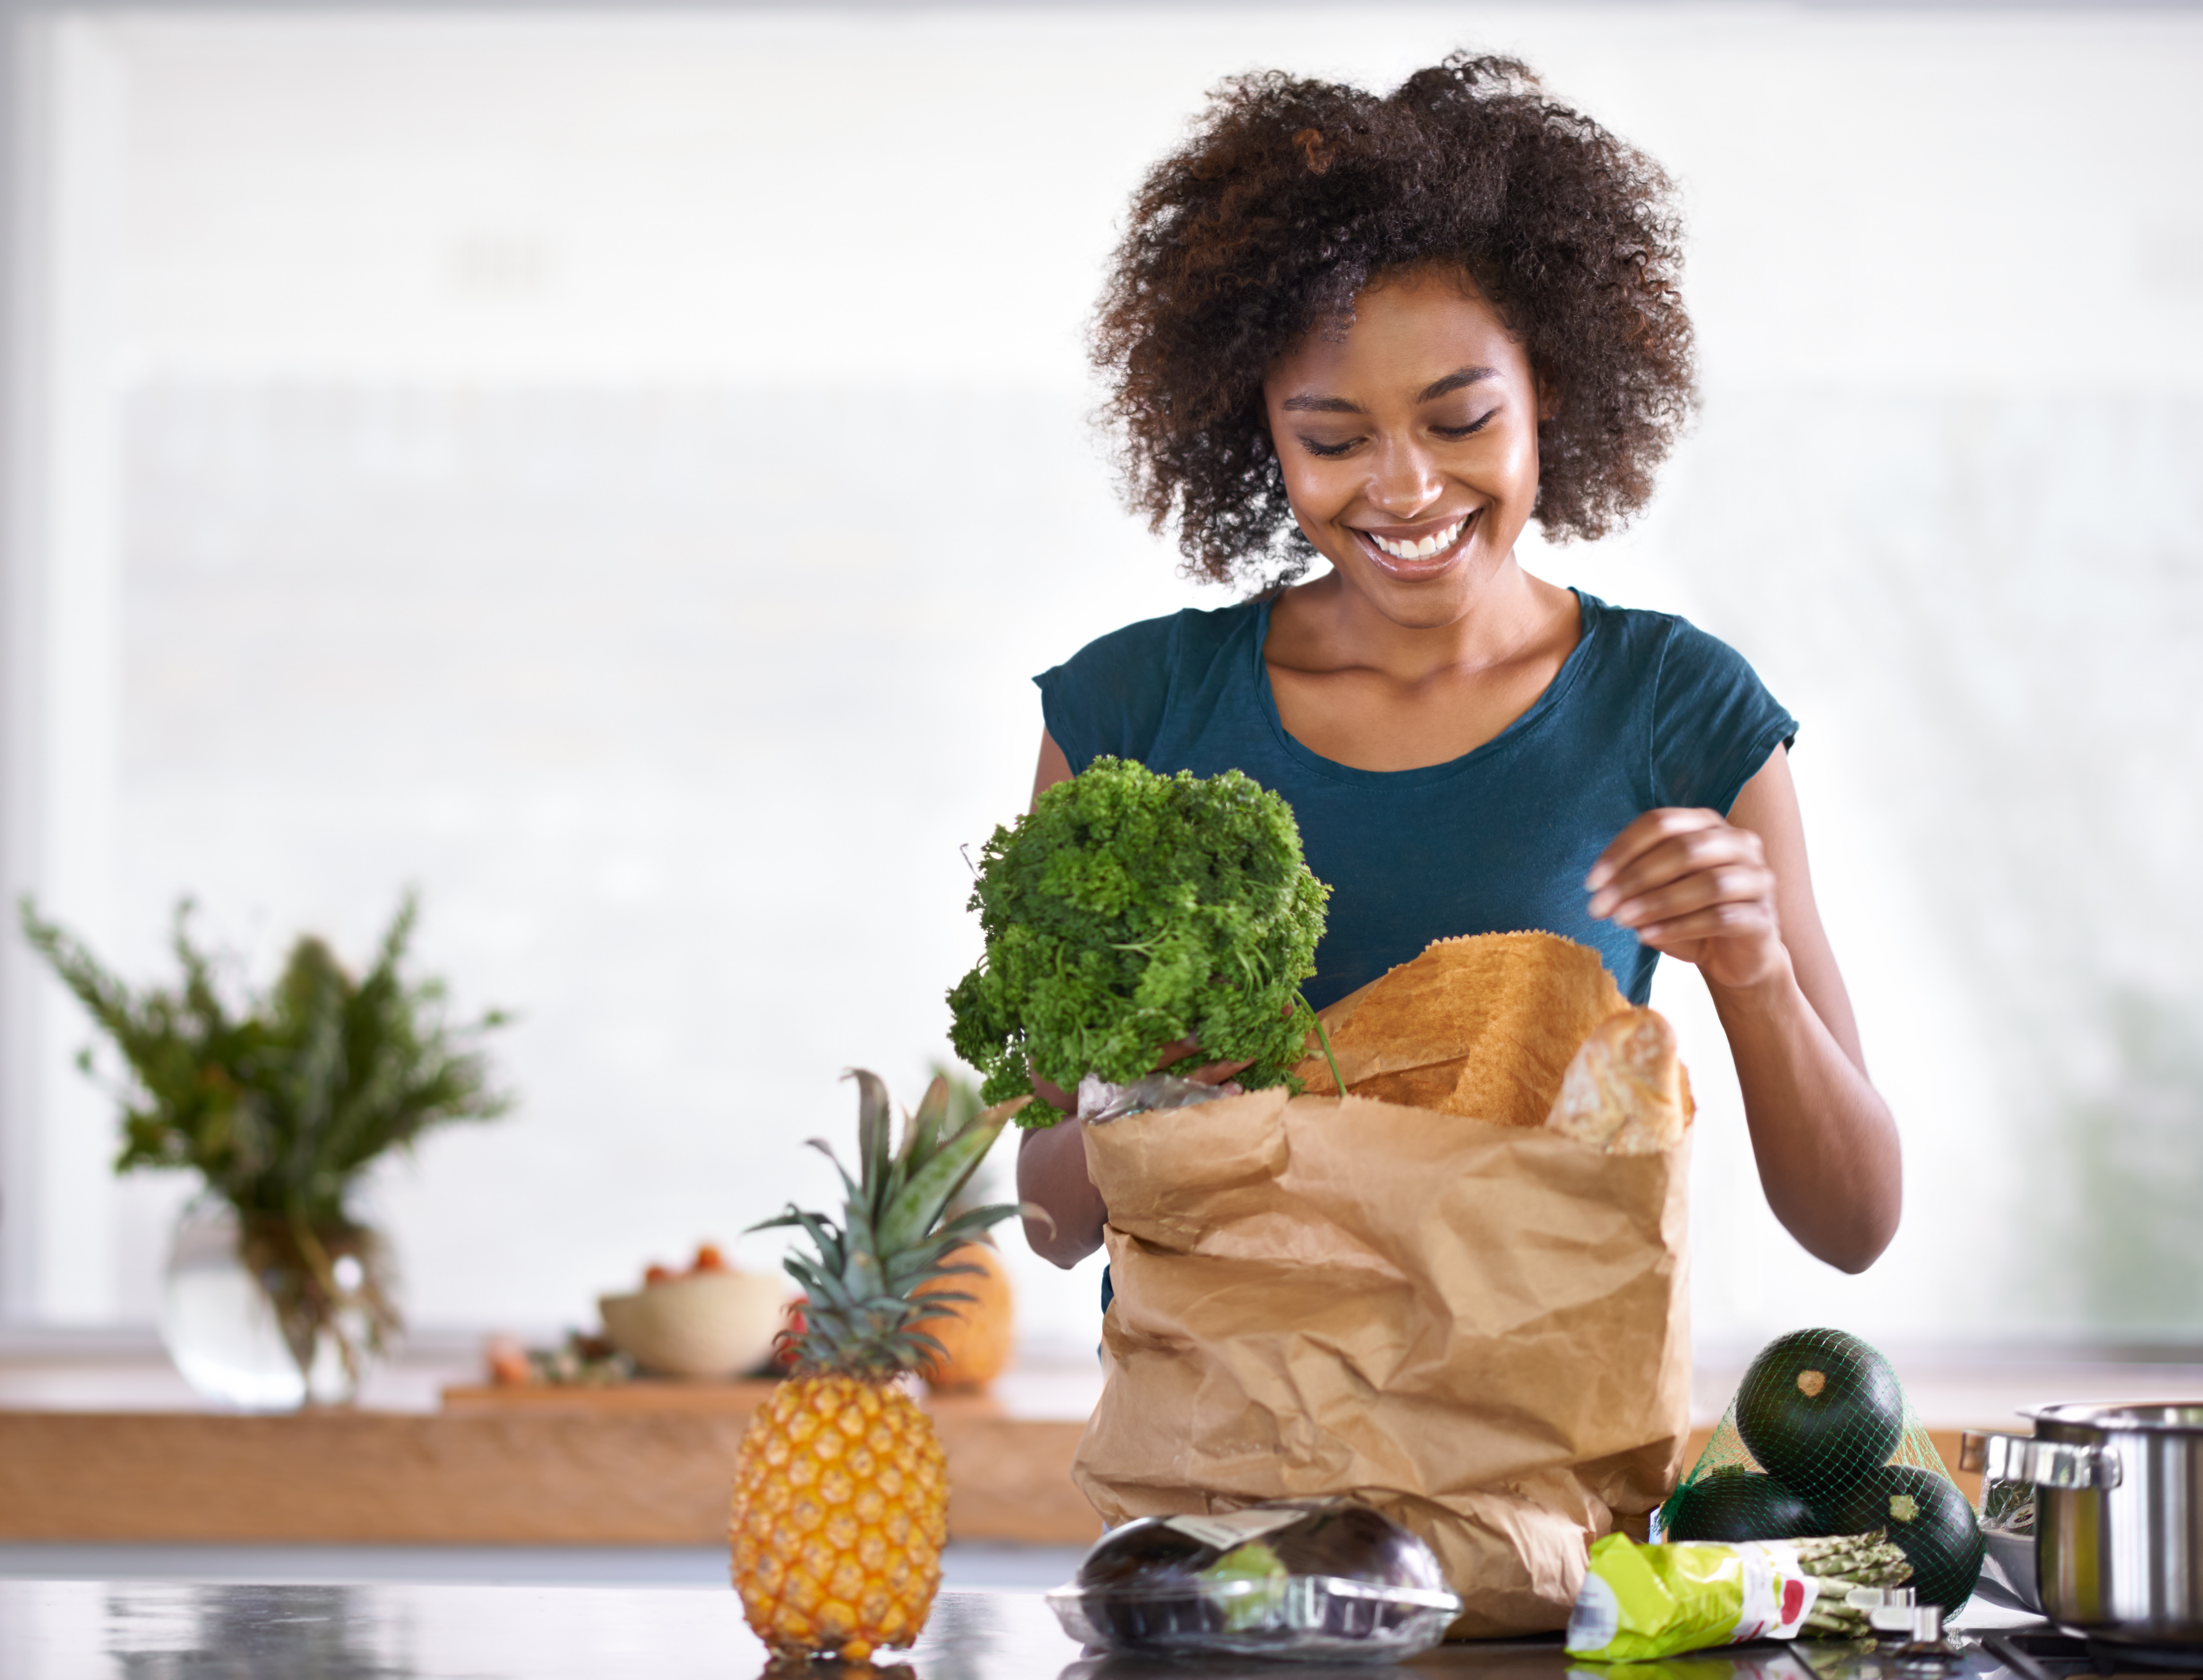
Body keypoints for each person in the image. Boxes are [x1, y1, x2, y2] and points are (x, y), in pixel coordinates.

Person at [1016, 55, 1900, 1280]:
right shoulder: (1134, 711)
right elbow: (1053, 1229)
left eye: (1461, 420)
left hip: (1533, 1452)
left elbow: (1853, 1225)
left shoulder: (1676, 710)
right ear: (1257, 433)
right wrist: (1138, 1111)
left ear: (1553, 394)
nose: (1406, 487)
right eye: (1333, 438)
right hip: (1219, 1459)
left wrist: (1753, 976)